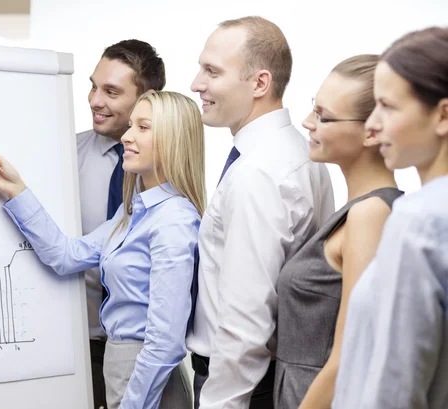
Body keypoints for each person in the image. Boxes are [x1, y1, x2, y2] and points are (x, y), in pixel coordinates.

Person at [0, 91, 205, 409]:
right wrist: (16, 190)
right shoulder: (133, 212)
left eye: (143, 127)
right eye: (131, 125)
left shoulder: (173, 220)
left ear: (173, 139)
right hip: (123, 366)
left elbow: (165, 340)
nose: (127, 136)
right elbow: (66, 255)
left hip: (147, 377)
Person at [185, 16, 335, 409]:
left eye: (211, 71)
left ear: (260, 83)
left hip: (243, 390)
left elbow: (245, 321)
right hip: (266, 381)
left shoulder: (258, 174)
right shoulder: (298, 151)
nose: (196, 83)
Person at [273, 54, 403, 409]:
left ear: (372, 130)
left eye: (323, 117)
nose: (306, 122)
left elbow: (353, 353)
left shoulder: (371, 214)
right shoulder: (358, 210)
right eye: (314, 108)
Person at [332, 26, 448, 409]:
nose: (371, 124)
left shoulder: (419, 221)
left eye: (389, 106)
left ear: (443, 114)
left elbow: (394, 386)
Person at [77, 39, 165, 409]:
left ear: (146, 97)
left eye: (111, 91)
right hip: (78, 347)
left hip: (146, 358)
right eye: (94, 86)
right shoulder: (62, 155)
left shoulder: (168, 174)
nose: (95, 100)